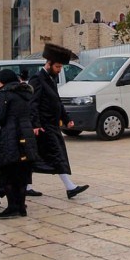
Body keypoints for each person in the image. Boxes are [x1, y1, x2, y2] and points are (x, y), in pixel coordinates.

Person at [30, 43, 89, 199]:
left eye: (61, 67)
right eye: (57, 67)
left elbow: (57, 101)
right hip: (44, 126)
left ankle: (24, 186)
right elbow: (33, 103)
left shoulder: (50, 78)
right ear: (48, 64)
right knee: (56, 155)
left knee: (36, 157)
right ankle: (70, 187)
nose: (59, 70)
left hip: (52, 124)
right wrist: (35, 124)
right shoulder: (37, 79)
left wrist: (66, 118)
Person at [0, 69, 39, 219]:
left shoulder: (4, 93)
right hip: (27, 134)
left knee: (7, 171)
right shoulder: (26, 93)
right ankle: (21, 207)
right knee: (22, 172)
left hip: (10, 135)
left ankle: (12, 207)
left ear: (2, 81)